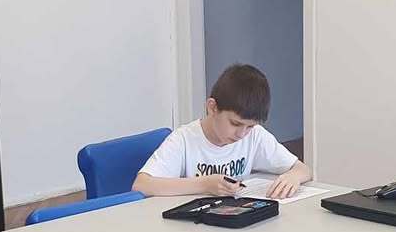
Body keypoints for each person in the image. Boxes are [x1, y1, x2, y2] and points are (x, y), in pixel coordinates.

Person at [133, 63, 311, 198]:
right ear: (212, 107)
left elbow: (302, 169)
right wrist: (204, 185)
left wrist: (293, 177)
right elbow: (142, 185)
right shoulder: (184, 139)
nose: (241, 134)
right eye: (235, 123)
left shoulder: (255, 136)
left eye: (249, 126)